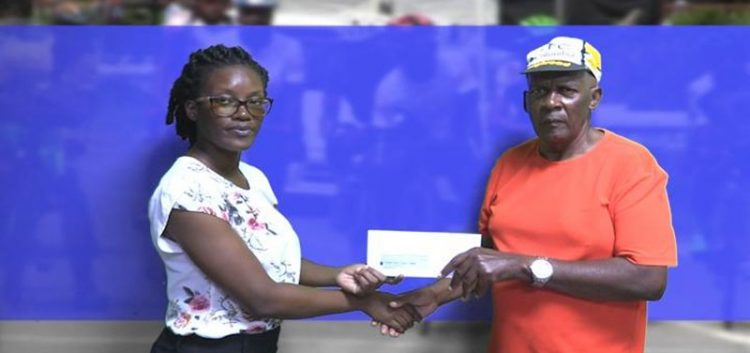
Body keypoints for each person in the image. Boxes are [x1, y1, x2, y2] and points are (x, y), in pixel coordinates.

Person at [379, 36, 678, 353]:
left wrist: (526, 266)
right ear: (526, 102)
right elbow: (490, 258)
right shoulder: (509, 163)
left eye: (566, 90)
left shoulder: (630, 165)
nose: (551, 102)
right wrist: (435, 295)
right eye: (539, 91)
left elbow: (648, 278)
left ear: (594, 98)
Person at [148, 44, 420, 353]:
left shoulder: (252, 178)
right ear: (192, 109)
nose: (244, 114)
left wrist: (339, 274)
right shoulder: (187, 190)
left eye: (255, 102)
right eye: (224, 102)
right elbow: (263, 297)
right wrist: (364, 302)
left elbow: (268, 260)